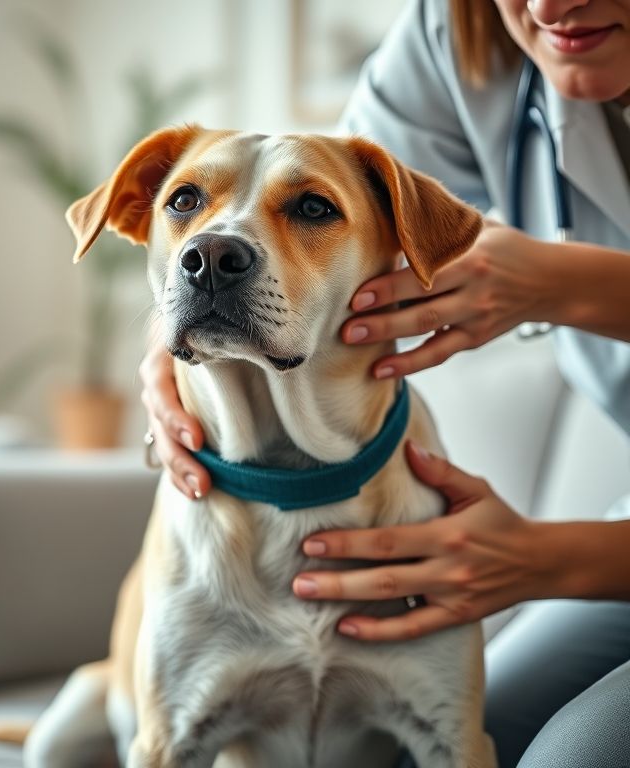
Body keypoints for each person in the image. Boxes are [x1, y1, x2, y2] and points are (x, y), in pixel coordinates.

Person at [138, 0, 630, 765]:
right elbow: (298, 200)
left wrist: (565, 283)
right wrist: (173, 335)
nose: (548, 5)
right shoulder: (458, 30)